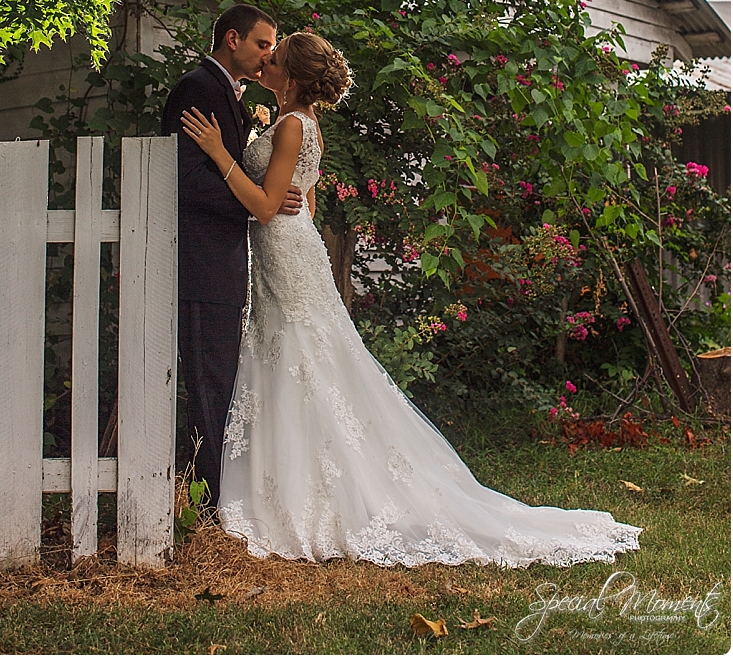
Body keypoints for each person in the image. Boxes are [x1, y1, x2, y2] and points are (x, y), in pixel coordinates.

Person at [181, 31, 642, 568]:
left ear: (294, 75)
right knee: (304, 360)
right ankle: (294, 479)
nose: (267, 63)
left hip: (285, 249)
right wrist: (278, 193)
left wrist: (218, 152)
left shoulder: (289, 125)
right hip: (295, 245)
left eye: (276, 59)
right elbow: (303, 195)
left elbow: (263, 207)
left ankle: (304, 492)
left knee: (301, 356)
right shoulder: (306, 125)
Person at [161, 3, 302, 506]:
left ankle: (217, 496)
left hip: (228, 262)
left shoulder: (230, 95)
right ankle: (206, 503)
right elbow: (186, 179)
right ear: (233, 39)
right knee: (208, 384)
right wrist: (258, 202)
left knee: (221, 381)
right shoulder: (198, 89)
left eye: (274, 49)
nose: (268, 55)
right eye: (263, 44)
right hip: (201, 261)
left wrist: (268, 193)